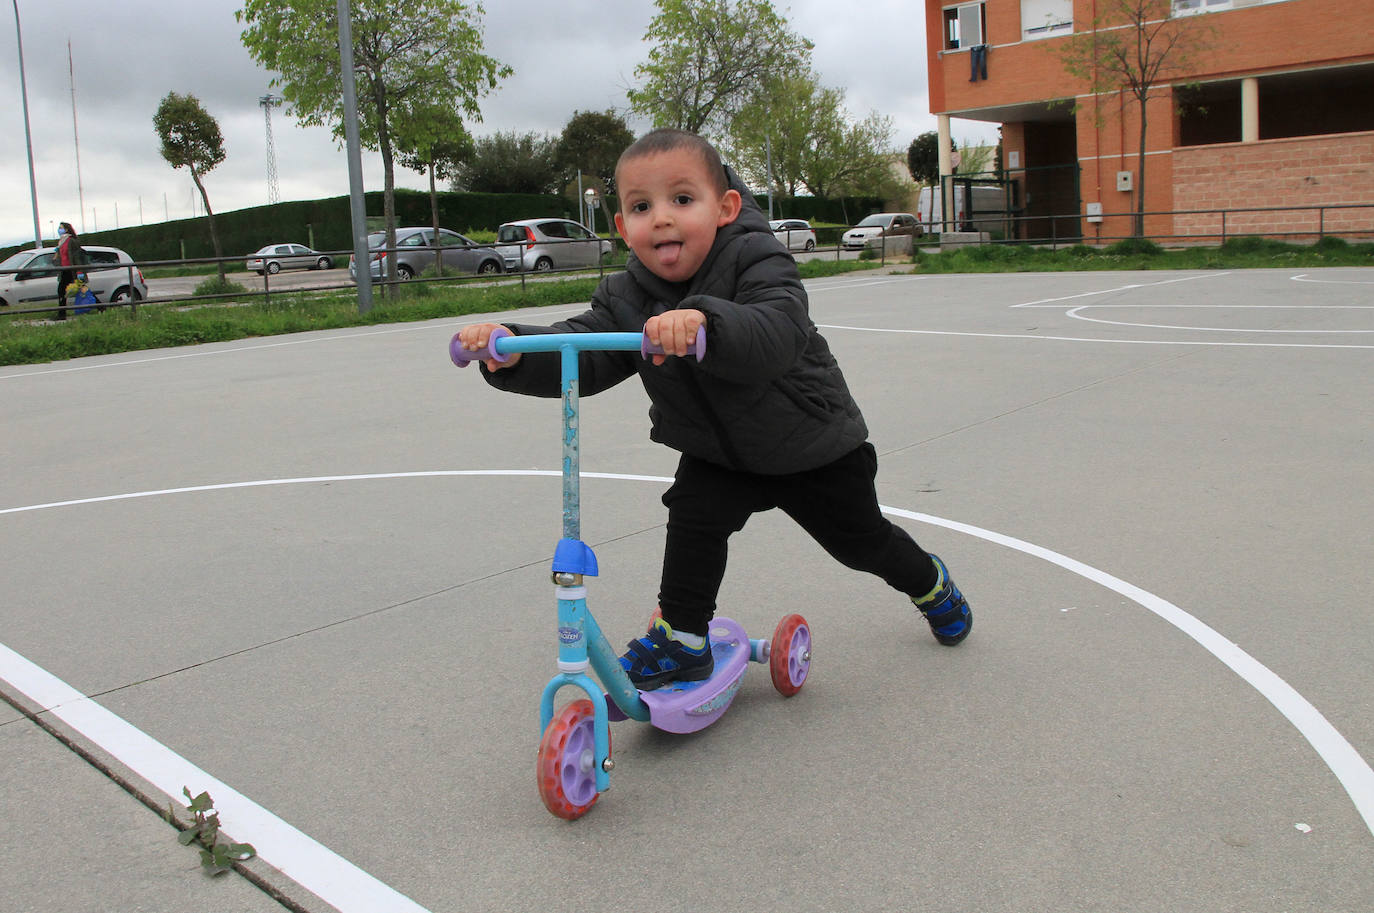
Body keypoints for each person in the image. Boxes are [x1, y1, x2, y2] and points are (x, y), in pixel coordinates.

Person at [456, 129, 971, 689]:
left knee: (862, 543)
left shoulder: (757, 259)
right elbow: (585, 348)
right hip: (718, 453)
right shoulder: (627, 296)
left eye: (682, 200)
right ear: (623, 228)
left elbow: (776, 330)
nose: (662, 219)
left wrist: (705, 321)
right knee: (693, 519)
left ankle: (930, 582)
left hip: (809, 446)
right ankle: (683, 639)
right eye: (640, 207)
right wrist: (510, 349)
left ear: (724, 207)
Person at [54, 221, 87, 321]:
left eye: (61, 228)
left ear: (67, 229)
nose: (59, 230)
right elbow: (60, 258)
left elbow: (77, 257)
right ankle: (101, 307)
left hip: (71, 270)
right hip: (64, 270)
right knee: (81, 288)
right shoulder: (61, 242)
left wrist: (79, 271)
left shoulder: (71, 241)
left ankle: (62, 314)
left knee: (64, 290)